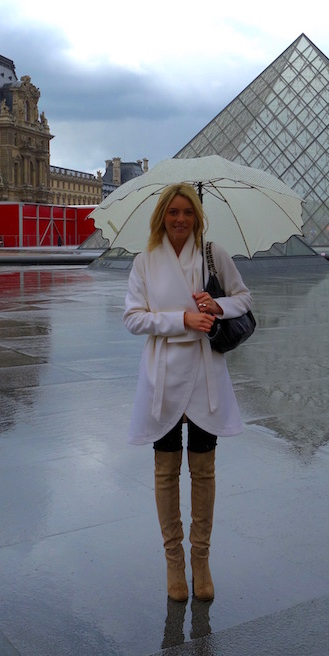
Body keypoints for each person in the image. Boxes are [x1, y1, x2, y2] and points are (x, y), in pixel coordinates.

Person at [123, 183, 252, 603]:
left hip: (202, 371)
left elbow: (244, 300)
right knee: (165, 471)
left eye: (188, 213)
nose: (180, 220)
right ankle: (173, 562)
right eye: (173, 212)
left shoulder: (214, 255)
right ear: (162, 215)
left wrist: (217, 308)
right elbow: (133, 319)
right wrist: (181, 318)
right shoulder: (144, 262)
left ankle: (201, 559)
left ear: (198, 217)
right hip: (162, 373)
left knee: (203, 470)